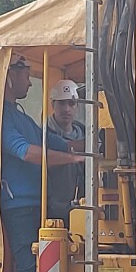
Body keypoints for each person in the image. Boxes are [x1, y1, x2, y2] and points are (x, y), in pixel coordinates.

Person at [0, 54, 84, 272]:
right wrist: (73, 160)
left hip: (39, 203)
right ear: (9, 75)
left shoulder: (21, 116)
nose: (30, 80)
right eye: (26, 73)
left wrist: (91, 147)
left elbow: (54, 143)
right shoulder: (4, 117)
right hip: (20, 205)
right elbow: (26, 152)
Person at [46, 80, 85, 223]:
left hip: (84, 211)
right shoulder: (41, 135)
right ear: (52, 105)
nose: (66, 109)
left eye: (71, 103)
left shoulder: (88, 133)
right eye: (61, 103)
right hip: (53, 214)